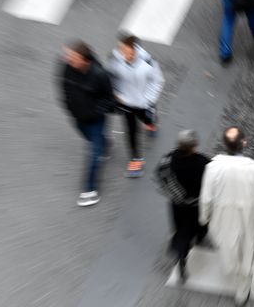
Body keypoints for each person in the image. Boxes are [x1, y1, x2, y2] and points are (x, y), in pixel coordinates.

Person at [199, 127, 254, 306]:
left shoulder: (212, 167)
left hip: (223, 218)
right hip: (250, 219)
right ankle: (243, 288)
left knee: (229, 248)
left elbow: (206, 198)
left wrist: (205, 217)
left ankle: (236, 274)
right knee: (248, 251)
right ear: (244, 143)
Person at [58, 40, 114, 207]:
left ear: (85, 60)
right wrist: (68, 106)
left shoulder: (99, 75)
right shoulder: (68, 67)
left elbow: (109, 99)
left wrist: (94, 112)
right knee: (91, 140)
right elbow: (63, 86)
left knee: (93, 153)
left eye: (73, 57)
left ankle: (90, 190)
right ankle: (105, 145)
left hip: (95, 120)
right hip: (77, 118)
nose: (69, 59)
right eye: (69, 56)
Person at [107, 35, 164, 176]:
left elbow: (157, 81)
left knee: (148, 120)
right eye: (122, 51)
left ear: (135, 50)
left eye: (128, 52)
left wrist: (149, 100)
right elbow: (110, 76)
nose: (124, 55)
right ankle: (135, 158)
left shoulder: (148, 62)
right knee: (131, 130)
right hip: (125, 102)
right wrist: (115, 93)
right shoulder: (115, 58)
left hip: (143, 103)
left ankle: (151, 123)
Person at [166, 130, 211, 283]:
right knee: (199, 226)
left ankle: (181, 252)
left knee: (181, 230)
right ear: (194, 146)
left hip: (177, 204)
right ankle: (195, 242)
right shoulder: (202, 163)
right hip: (196, 205)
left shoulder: (170, 158)